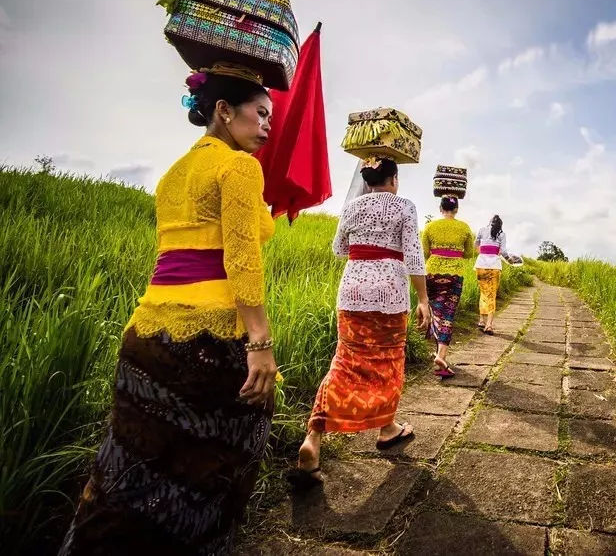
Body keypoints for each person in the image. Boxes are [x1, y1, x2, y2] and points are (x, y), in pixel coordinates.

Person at [60, 64, 279, 555]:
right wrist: (260, 343)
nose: (268, 125)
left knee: (125, 476)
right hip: (209, 343)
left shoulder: (174, 173)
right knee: (213, 476)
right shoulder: (239, 166)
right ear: (223, 111)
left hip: (147, 336)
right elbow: (242, 261)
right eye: (260, 114)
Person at [290, 157, 430, 489]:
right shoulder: (404, 206)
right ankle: (386, 428)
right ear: (393, 178)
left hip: (352, 293)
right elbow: (412, 254)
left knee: (344, 360)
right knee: (388, 359)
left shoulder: (353, 208)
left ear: (367, 179)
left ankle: (313, 438)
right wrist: (423, 298)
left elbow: (339, 249)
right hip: (391, 294)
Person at [420, 196, 475, 377]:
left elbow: (425, 253)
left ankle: (439, 356)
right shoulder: (464, 227)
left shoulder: (430, 227)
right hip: (454, 275)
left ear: (440, 208)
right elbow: (469, 253)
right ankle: (441, 355)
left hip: (432, 273)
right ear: (457, 209)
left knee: (436, 312)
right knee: (447, 314)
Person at [474, 215, 509, 334]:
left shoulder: (482, 230)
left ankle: (481, 320)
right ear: (500, 225)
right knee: (491, 294)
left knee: (483, 292)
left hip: (481, 265)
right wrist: (509, 259)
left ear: (490, 223)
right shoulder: (502, 234)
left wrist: (483, 253)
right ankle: (489, 325)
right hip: (494, 266)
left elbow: (476, 245)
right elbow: (503, 251)